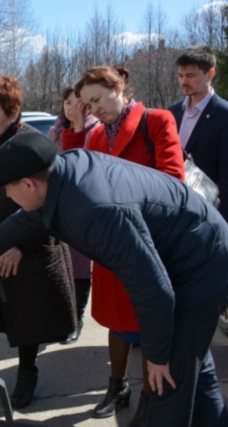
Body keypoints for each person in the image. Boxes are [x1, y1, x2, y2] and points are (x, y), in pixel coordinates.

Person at [0, 132, 228, 427]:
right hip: (187, 256)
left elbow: (152, 288)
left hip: (204, 267)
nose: (9, 199)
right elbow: (28, 218)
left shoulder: (94, 210)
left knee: (168, 382)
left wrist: (157, 355)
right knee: (194, 369)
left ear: (28, 183)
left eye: (9, 192)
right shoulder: (59, 176)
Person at [66, 66, 185, 425]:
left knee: (149, 322)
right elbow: (76, 177)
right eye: (88, 104)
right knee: (118, 322)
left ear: (118, 87)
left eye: (97, 100)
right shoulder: (98, 136)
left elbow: (173, 182)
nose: (94, 110)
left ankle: (151, 397)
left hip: (148, 244)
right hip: (112, 247)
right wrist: (76, 128)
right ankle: (117, 387)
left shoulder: (157, 121)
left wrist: (123, 204)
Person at [0, 75, 76, 408]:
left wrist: (19, 245)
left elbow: (49, 204)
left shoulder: (31, 143)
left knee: (25, 313)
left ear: (12, 111)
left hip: (23, 246)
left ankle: (27, 373)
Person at [168, 45, 228, 232]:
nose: (184, 81)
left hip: (206, 217)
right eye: (180, 76)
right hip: (172, 212)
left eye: (191, 76)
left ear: (210, 74)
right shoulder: (172, 112)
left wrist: (224, 229)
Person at [47, 87, 100, 344]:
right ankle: (60, 318)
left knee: (80, 268)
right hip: (58, 209)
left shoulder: (96, 130)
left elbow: (83, 163)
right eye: (67, 102)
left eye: (76, 103)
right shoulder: (54, 131)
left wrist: (79, 127)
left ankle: (76, 319)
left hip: (83, 210)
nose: (71, 108)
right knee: (59, 265)